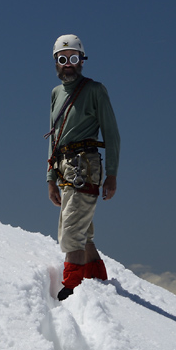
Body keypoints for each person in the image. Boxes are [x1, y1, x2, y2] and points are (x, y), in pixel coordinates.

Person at [45, 34, 120, 301]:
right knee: (81, 228)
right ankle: (96, 279)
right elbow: (54, 138)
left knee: (71, 232)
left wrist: (111, 175)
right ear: (55, 61)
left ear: (82, 60)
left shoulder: (95, 90)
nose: (68, 64)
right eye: (62, 59)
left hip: (85, 165)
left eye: (73, 58)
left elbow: (112, 134)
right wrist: (50, 178)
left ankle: (72, 289)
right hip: (64, 166)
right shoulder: (55, 94)